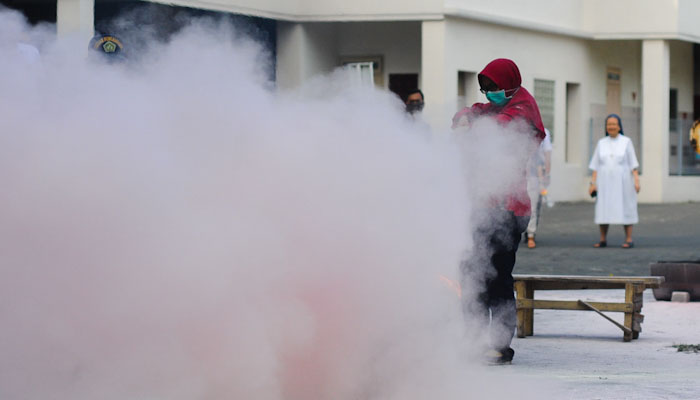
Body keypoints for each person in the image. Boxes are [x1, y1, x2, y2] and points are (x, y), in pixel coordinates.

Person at [452, 59, 545, 364]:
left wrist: (472, 124)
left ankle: (499, 345)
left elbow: (497, 127)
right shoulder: (501, 104)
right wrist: (465, 115)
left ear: (509, 83)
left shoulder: (523, 109)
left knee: (498, 278)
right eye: (484, 88)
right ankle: (472, 338)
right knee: (472, 273)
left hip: (508, 209)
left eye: (492, 88)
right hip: (484, 205)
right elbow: (474, 112)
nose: (487, 93)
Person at [588, 114, 640, 248]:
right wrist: (593, 184)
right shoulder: (601, 143)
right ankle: (603, 239)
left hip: (623, 182)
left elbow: (633, 164)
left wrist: (636, 181)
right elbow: (595, 166)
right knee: (603, 209)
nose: (611, 127)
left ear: (619, 126)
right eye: (609, 124)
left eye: (614, 124)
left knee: (626, 207)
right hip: (604, 182)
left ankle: (628, 239)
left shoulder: (626, 142)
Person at [525, 128, 552, 249]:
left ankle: (531, 231)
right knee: (530, 206)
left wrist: (546, 175)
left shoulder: (543, 132)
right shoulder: (522, 129)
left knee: (536, 206)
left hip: (536, 175)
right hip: (525, 175)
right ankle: (530, 233)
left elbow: (547, 154)